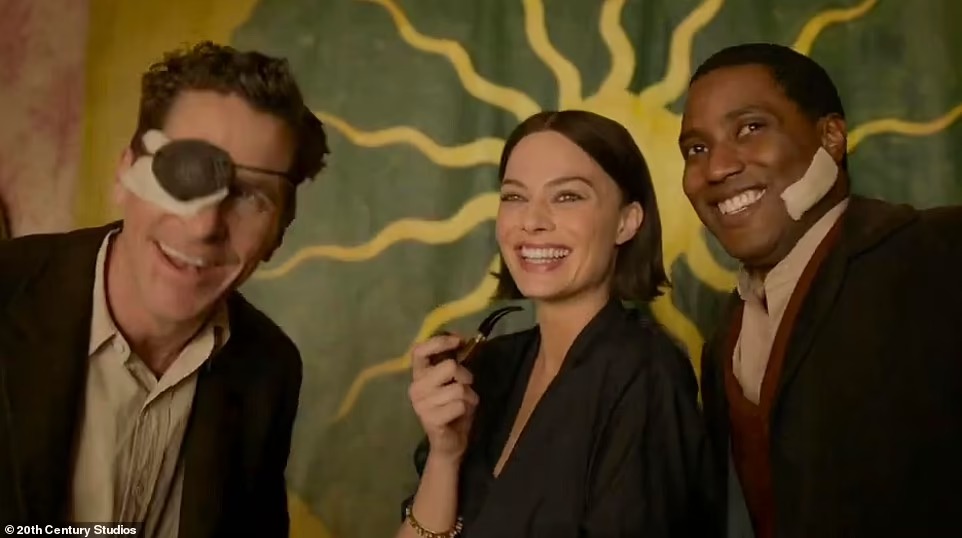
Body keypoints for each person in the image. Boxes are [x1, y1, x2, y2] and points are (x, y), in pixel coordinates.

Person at [0, 41, 329, 536]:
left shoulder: (270, 369)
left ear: (279, 232)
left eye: (248, 195)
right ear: (124, 173)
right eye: (184, 171)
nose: (204, 225)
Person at [678, 42, 962, 538]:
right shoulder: (724, 339)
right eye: (696, 149)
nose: (717, 168)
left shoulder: (939, 253)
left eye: (750, 128)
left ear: (831, 137)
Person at [395, 110, 716, 538]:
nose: (532, 221)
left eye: (567, 196)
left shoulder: (645, 374)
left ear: (626, 221)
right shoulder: (488, 368)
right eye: (514, 197)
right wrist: (444, 455)